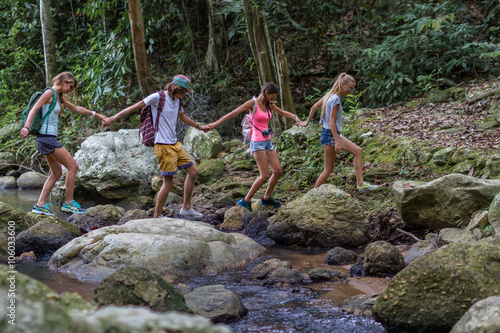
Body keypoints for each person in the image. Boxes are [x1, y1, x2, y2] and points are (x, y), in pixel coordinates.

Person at [102, 75, 209, 219]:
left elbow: (182, 117)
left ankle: (186, 208)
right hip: (163, 146)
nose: (185, 94)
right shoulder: (158, 97)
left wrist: (199, 127)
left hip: (174, 144)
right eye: (184, 91)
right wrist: (112, 118)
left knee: (193, 172)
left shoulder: (178, 100)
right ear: (177, 88)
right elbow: (135, 106)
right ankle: (156, 217)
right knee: (168, 183)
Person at [20, 71, 106, 216]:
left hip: (46, 139)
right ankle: (69, 203)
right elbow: (34, 109)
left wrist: (96, 115)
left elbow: (76, 109)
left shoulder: (58, 97)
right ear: (64, 82)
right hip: (47, 139)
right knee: (73, 167)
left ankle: (40, 205)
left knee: (57, 172)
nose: (70, 90)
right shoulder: (49, 93)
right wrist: (27, 126)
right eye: (70, 87)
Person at [207, 82, 300, 211]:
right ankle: (245, 200)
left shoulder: (269, 105)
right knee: (264, 175)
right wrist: (215, 124)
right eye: (272, 96)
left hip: (267, 141)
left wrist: (294, 117)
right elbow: (232, 113)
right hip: (257, 142)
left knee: (278, 171)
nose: (273, 99)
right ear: (266, 93)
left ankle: (266, 199)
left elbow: (283, 113)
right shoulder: (253, 103)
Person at [299, 73, 378, 191]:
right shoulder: (335, 99)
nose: (351, 91)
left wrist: (306, 123)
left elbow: (314, 107)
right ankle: (312, 193)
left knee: (357, 151)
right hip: (331, 135)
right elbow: (331, 122)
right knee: (328, 169)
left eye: (353, 89)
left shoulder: (329, 95)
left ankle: (360, 183)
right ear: (342, 84)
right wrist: (337, 141)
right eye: (349, 88)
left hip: (329, 134)